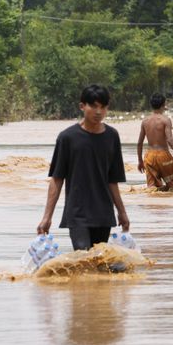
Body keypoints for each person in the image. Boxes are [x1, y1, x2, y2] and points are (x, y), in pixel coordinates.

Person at [36, 85, 130, 251]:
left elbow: (112, 180)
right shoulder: (68, 138)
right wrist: (47, 217)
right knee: (82, 255)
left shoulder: (112, 136)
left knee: (98, 260)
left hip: (103, 213)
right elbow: (57, 179)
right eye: (93, 106)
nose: (98, 111)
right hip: (77, 212)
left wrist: (122, 212)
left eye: (103, 107)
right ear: (82, 106)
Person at [137, 93, 173, 191]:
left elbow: (139, 143)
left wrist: (140, 161)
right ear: (163, 105)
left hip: (149, 157)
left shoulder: (145, 121)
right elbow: (170, 140)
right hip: (163, 156)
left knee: (152, 188)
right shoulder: (165, 120)